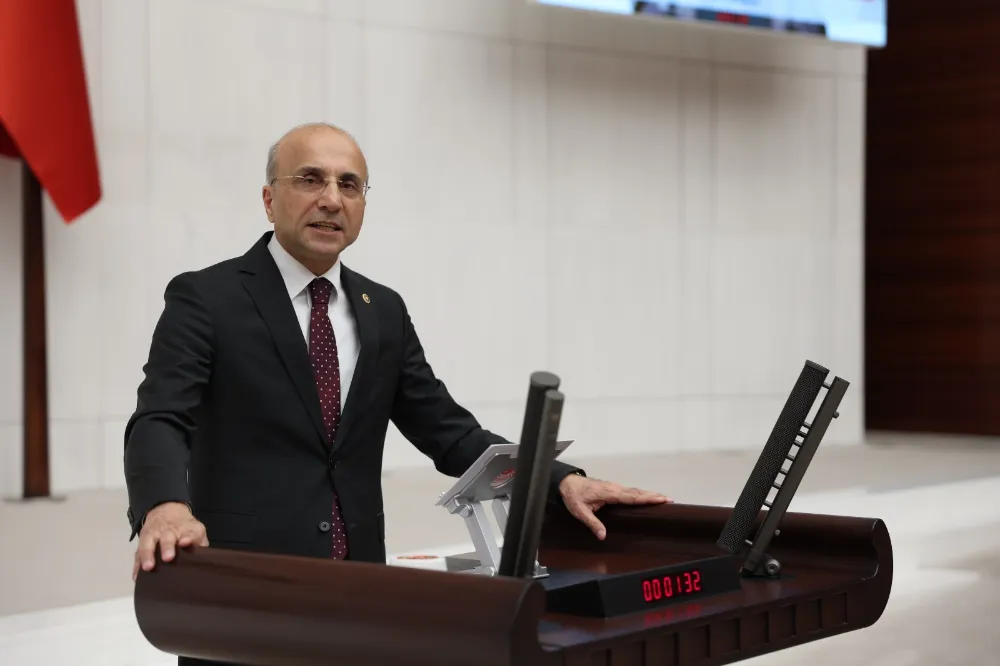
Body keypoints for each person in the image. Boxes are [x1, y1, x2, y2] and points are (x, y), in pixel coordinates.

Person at [124, 122, 671, 599]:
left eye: (349, 185)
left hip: (360, 587)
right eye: (310, 179)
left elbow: (450, 434)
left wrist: (559, 480)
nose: (331, 199)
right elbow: (161, 417)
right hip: (244, 586)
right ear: (269, 199)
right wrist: (164, 505)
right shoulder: (207, 297)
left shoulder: (382, 310)